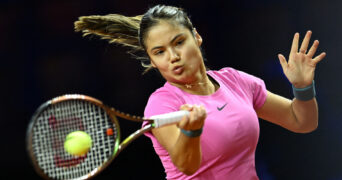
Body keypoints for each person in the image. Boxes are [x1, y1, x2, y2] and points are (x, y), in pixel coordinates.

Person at [74, 4, 326, 180]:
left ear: (197, 36)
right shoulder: (161, 105)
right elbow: (186, 165)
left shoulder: (235, 81)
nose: (173, 57)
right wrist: (190, 131)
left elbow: (301, 121)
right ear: (152, 61)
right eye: (159, 52)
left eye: (178, 42)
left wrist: (302, 87)